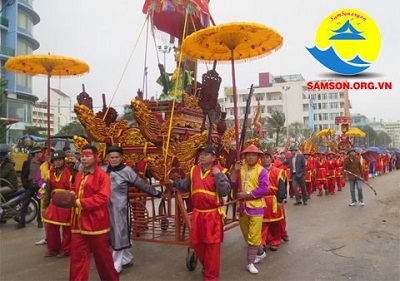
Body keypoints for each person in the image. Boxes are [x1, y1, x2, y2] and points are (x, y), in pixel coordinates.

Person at [171, 144, 231, 281]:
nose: (202, 156)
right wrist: (173, 183)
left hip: (212, 215)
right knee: (197, 244)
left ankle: (210, 276)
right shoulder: (194, 170)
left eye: (206, 154)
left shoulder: (219, 171)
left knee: (212, 248)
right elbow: (186, 185)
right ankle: (207, 266)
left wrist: (219, 176)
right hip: (198, 213)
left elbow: (225, 191)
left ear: (214, 157)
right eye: (201, 154)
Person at [102, 146, 162, 274]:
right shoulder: (103, 170)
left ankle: (115, 266)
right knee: (111, 235)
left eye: (116, 157)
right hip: (104, 208)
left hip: (120, 210)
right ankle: (127, 258)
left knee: (119, 235)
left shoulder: (127, 171)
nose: (113, 160)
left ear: (122, 158)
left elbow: (141, 183)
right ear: (107, 158)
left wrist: (156, 193)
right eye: (111, 157)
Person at [69, 144, 119, 281]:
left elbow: (103, 198)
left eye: (87, 156)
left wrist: (80, 203)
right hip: (78, 223)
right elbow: (75, 188)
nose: (84, 159)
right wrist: (70, 194)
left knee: (103, 257)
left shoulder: (103, 176)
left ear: (95, 157)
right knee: (77, 257)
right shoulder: (79, 174)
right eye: (82, 156)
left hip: (96, 224)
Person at [230, 144, 269, 275]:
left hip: (256, 206)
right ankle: (260, 252)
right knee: (246, 234)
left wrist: (247, 194)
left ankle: (250, 262)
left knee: (254, 235)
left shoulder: (262, 171)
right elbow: (232, 184)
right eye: (248, 155)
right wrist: (235, 171)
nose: (250, 157)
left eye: (253, 155)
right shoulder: (240, 168)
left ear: (258, 157)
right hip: (242, 207)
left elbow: (264, 189)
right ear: (245, 156)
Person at [42, 150, 72, 257]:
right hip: (54, 202)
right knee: (50, 225)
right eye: (55, 160)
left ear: (64, 161)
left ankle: (66, 249)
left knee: (67, 228)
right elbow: (47, 192)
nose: (58, 162)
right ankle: (53, 249)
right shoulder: (50, 174)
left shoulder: (70, 172)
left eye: (60, 160)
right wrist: (44, 206)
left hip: (67, 202)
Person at [260, 150, 288, 252]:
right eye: (262, 157)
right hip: (261, 200)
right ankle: (262, 242)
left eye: (267, 157)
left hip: (273, 199)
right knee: (262, 223)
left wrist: (280, 200)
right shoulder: (258, 171)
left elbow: (282, 187)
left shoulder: (278, 171)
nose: (264, 159)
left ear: (271, 159)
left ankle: (275, 241)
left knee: (275, 223)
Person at [17, 146, 43, 229]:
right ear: (36, 154)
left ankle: (40, 221)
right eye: (39, 153)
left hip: (39, 186)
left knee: (40, 204)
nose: (41, 154)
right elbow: (23, 175)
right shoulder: (27, 163)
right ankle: (22, 222)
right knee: (25, 203)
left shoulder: (42, 164)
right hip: (30, 185)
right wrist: (26, 185)